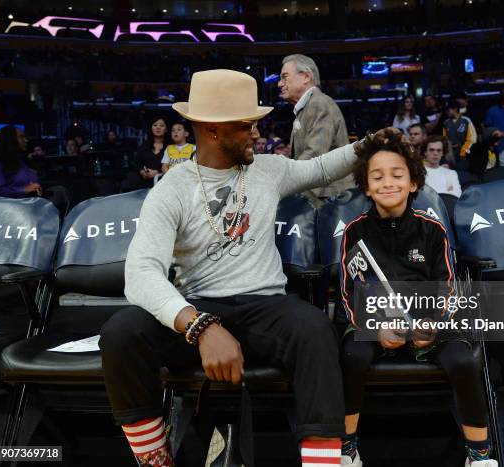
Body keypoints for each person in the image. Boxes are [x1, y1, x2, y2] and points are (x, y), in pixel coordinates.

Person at [99, 69, 375, 467]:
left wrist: (369, 144)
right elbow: (140, 273)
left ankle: (324, 461)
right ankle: (156, 458)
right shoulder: (172, 189)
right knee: (120, 333)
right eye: (246, 126)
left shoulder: (268, 170)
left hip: (263, 304)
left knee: (315, 329)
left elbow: (321, 169)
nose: (257, 134)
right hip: (198, 305)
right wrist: (200, 326)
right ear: (213, 130)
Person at [339, 129, 496, 467]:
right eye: (377, 177)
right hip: (378, 322)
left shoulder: (432, 229)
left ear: (413, 183)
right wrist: (377, 328)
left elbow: (447, 287)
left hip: (429, 321)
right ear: (366, 186)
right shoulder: (355, 232)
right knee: (352, 355)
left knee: (463, 360)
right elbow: (349, 294)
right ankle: (348, 448)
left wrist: (432, 324)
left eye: (397, 175)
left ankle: (479, 453)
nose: (387, 183)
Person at [279, 54, 354, 206]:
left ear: (306, 76)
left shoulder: (318, 104)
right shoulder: (307, 106)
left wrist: (283, 183)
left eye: (285, 77)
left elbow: (314, 155)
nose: (280, 84)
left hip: (329, 199)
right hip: (321, 196)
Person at [121, 116, 169, 192]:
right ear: (151, 128)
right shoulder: (145, 145)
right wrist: (142, 172)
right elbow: (135, 163)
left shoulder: (170, 147)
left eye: (161, 125)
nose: (158, 128)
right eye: (155, 125)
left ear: (166, 129)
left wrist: (158, 172)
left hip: (164, 184)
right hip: (144, 185)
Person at [0, 124, 42, 198]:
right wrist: (23, 189)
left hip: (29, 201)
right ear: (10, 140)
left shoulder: (20, 161)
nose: (26, 140)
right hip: (12, 206)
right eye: (21, 137)